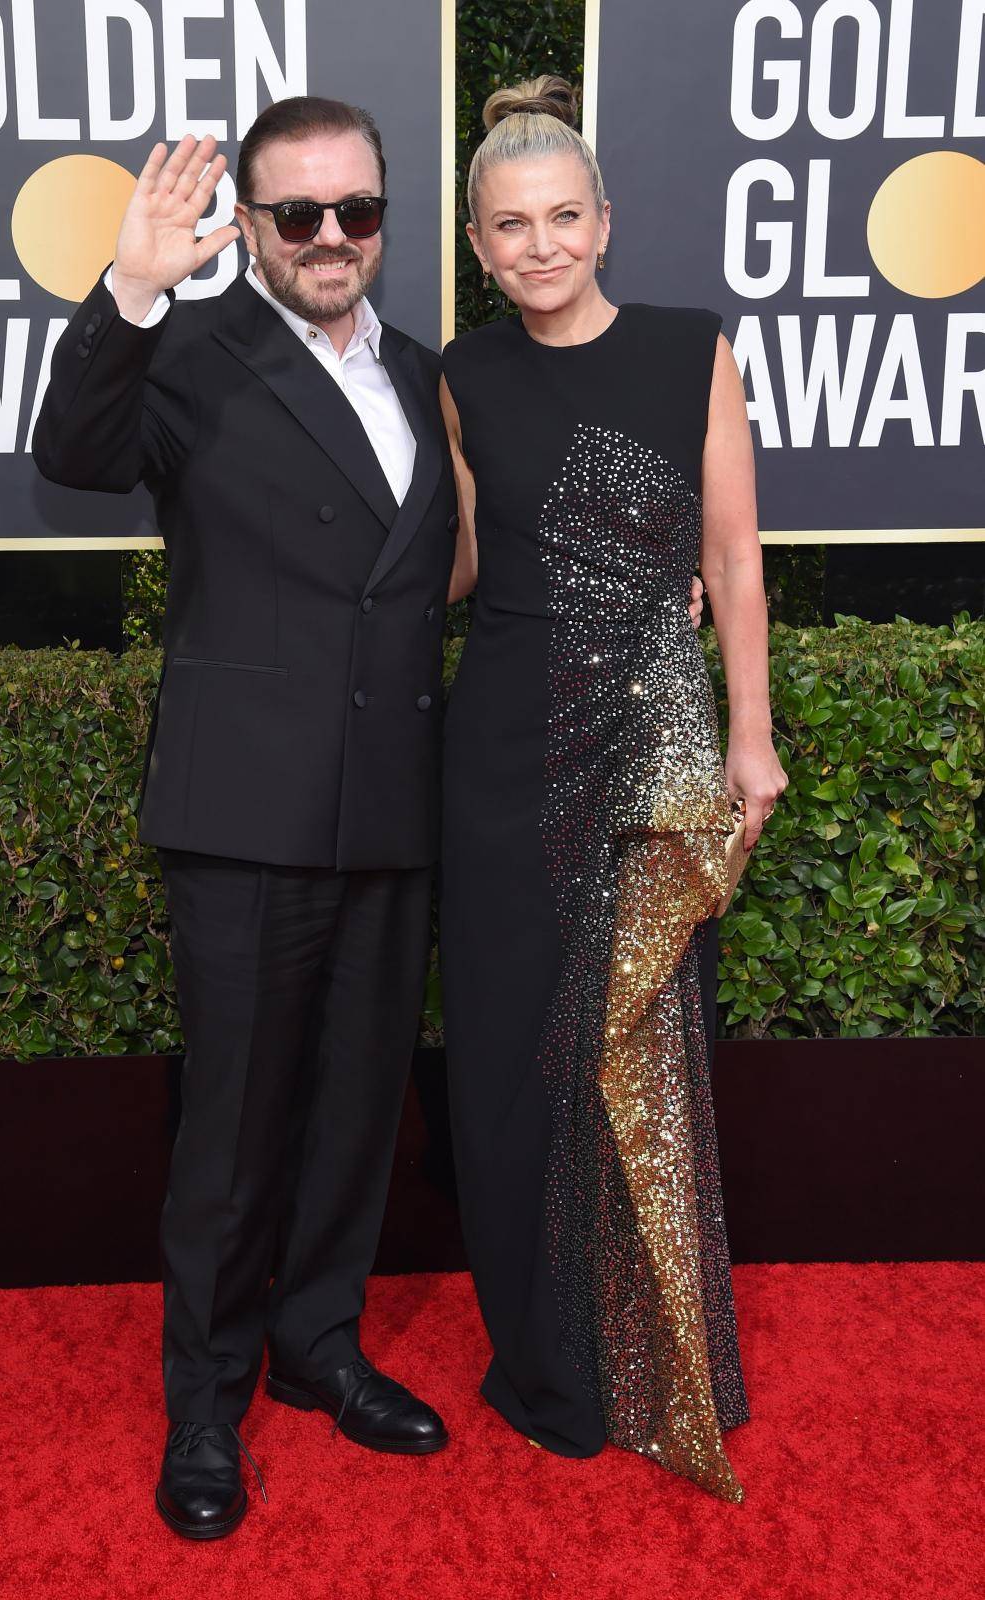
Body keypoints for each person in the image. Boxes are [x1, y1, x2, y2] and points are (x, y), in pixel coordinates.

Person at [33, 98, 459, 1541]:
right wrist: (134, 287)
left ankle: (317, 1341)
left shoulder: (417, 367)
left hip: (393, 803)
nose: (332, 238)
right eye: (299, 215)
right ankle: (206, 1401)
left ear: (385, 218)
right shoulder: (192, 357)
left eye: (359, 211)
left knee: (354, 1107)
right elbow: (73, 453)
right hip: (247, 807)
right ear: (256, 227)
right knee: (233, 1130)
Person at [438, 76, 788, 1505]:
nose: (539, 246)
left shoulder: (689, 349)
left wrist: (750, 740)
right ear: (476, 242)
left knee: (634, 1049)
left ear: (605, 220)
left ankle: (652, 1352)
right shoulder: (458, 378)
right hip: (501, 753)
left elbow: (737, 560)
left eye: (561, 218)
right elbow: (458, 573)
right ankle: (547, 1362)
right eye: (510, 227)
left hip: (649, 750)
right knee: (515, 1064)